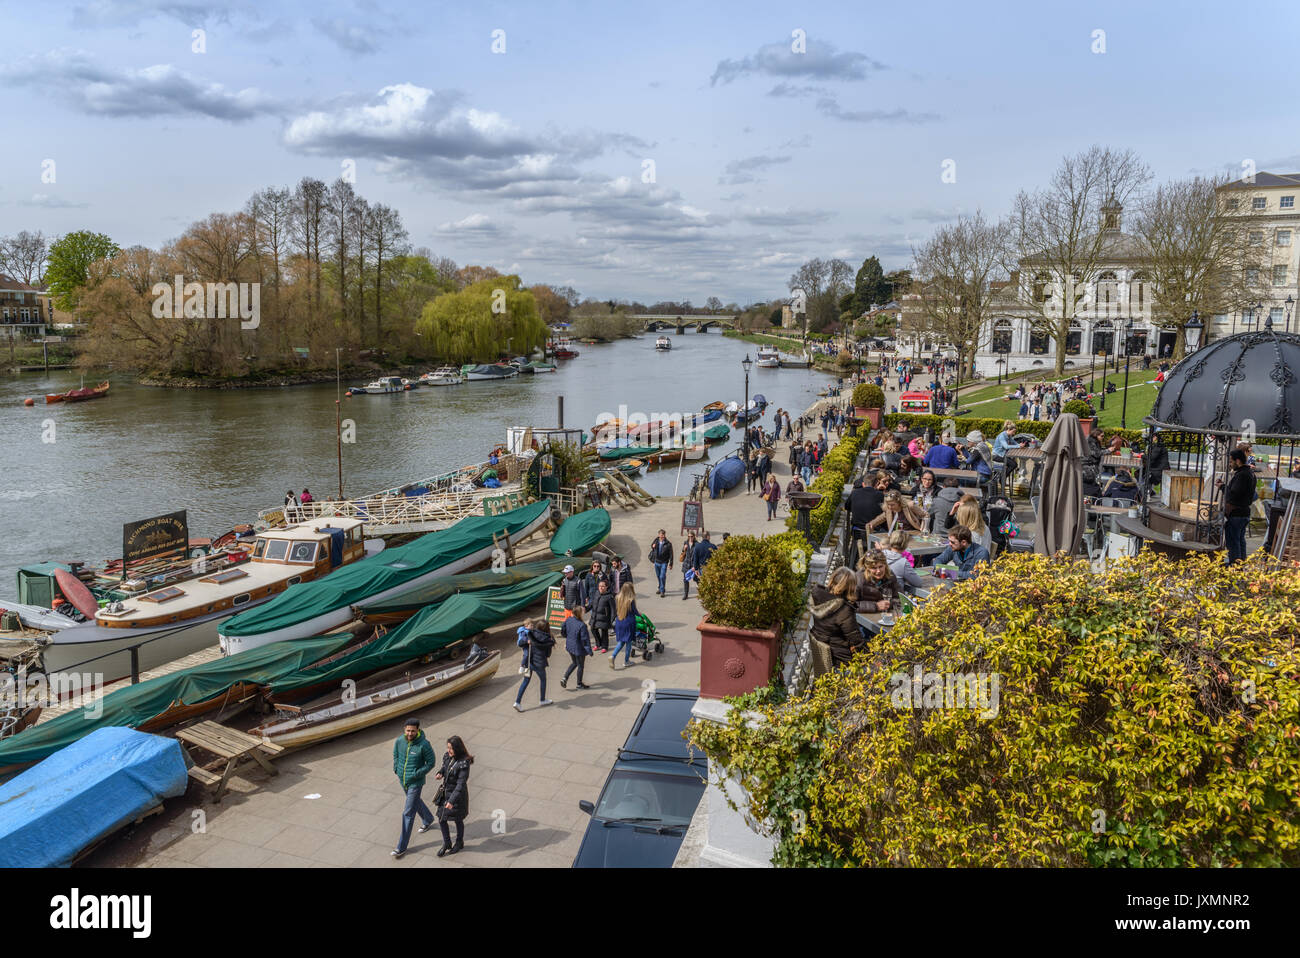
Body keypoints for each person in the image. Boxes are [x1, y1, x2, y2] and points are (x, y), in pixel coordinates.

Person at [391, 717, 437, 859]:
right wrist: (396, 769)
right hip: (403, 780)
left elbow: (431, 762)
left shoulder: (424, 745)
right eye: (408, 731)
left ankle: (401, 847)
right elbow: (396, 755)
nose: (410, 733)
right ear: (404, 730)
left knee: (408, 813)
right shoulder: (399, 741)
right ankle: (428, 819)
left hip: (415, 783)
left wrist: (417, 774)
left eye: (413, 731)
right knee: (415, 802)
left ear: (418, 730)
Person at [808, 567, 866, 665]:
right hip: (840, 659)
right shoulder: (843, 609)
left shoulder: (818, 596)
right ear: (851, 588)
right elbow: (857, 641)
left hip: (825, 648)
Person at [432, 735, 473, 857]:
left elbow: (460, 784)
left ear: (458, 748)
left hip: (457, 796)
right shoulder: (447, 756)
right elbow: (445, 768)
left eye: (451, 748)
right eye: (448, 747)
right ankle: (447, 842)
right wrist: (440, 773)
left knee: (457, 819)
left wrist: (452, 800)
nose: (448, 750)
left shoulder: (463, 763)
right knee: (441, 818)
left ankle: (459, 841)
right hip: (446, 793)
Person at [1220, 448, 1256, 565]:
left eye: (1231, 462)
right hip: (1243, 513)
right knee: (1240, 541)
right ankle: (1240, 565)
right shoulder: (1249, 473)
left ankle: (1235, 567)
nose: (1230, 464)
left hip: (1237, 514)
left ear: (1238, 461)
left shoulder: (1243, 475)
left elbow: (1234, 495)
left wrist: (1222, 487)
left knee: (1233, 542)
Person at [513, 618, 555, 710]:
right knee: (543, 680)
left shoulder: (531, 633)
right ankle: (542, 700)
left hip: (530, 662)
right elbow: (548, 654)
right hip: (540, 663)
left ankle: (517, 702)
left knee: (525, 681)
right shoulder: (548, 639)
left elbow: (523, 643)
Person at [560, 606, 593, 689]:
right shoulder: (582, 625)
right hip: (579, 649)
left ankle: (565, 678)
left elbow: (563, 630)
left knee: (574, 663)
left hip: (570, 646)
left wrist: (567, 637)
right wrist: (589, 651)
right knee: (580, 666)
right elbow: (585, 640)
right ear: (580, 614)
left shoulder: (569, 620)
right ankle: (579, 683)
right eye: (583, 612)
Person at [610, 583, 639, 669]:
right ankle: (626, 661)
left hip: (619, 622)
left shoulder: (618, 598)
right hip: (628, 623)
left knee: (621, 642)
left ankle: (613, 656)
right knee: (628, 643)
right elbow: (635, 612)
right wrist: (641, 616)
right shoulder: (631, 600)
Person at [588, 579, 615, 651]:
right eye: (599, 586)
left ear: (606, 587)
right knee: (593, 629)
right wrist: (585, 609)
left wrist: (612, 620)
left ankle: (604, 646)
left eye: (603, 586)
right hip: (595, 616)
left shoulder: (610, 597)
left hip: (605, 618)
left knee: (604, 632)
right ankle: (598, 644)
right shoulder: (596, 593)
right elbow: (592, 603)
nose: (601, 588)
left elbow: (613, 609)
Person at [648, 529, 674, 597]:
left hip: (664, 562)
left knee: (662, 576)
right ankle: (660, 587)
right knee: (658, 576)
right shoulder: (656, 540)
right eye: (661, 534)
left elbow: (671, 554)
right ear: (658, 535)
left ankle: (662, 591)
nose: (662, 536)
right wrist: (652, 546)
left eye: (663, 535)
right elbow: (652, 545)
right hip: (657, 561)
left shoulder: (668, 544)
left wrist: (670, 564)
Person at [680, 531, 699, 599]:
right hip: (686, 564)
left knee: (696, 579)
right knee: (685, 580)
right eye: (689, 536)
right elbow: (683, 552)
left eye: (691, 536)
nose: (690, 538)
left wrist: (695, 566)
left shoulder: (697, 544)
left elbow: (698, 556)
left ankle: (701, 593)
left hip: (693, 565)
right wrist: (683, 549)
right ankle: (686, 595)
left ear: (694, 537)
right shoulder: (686, 543)